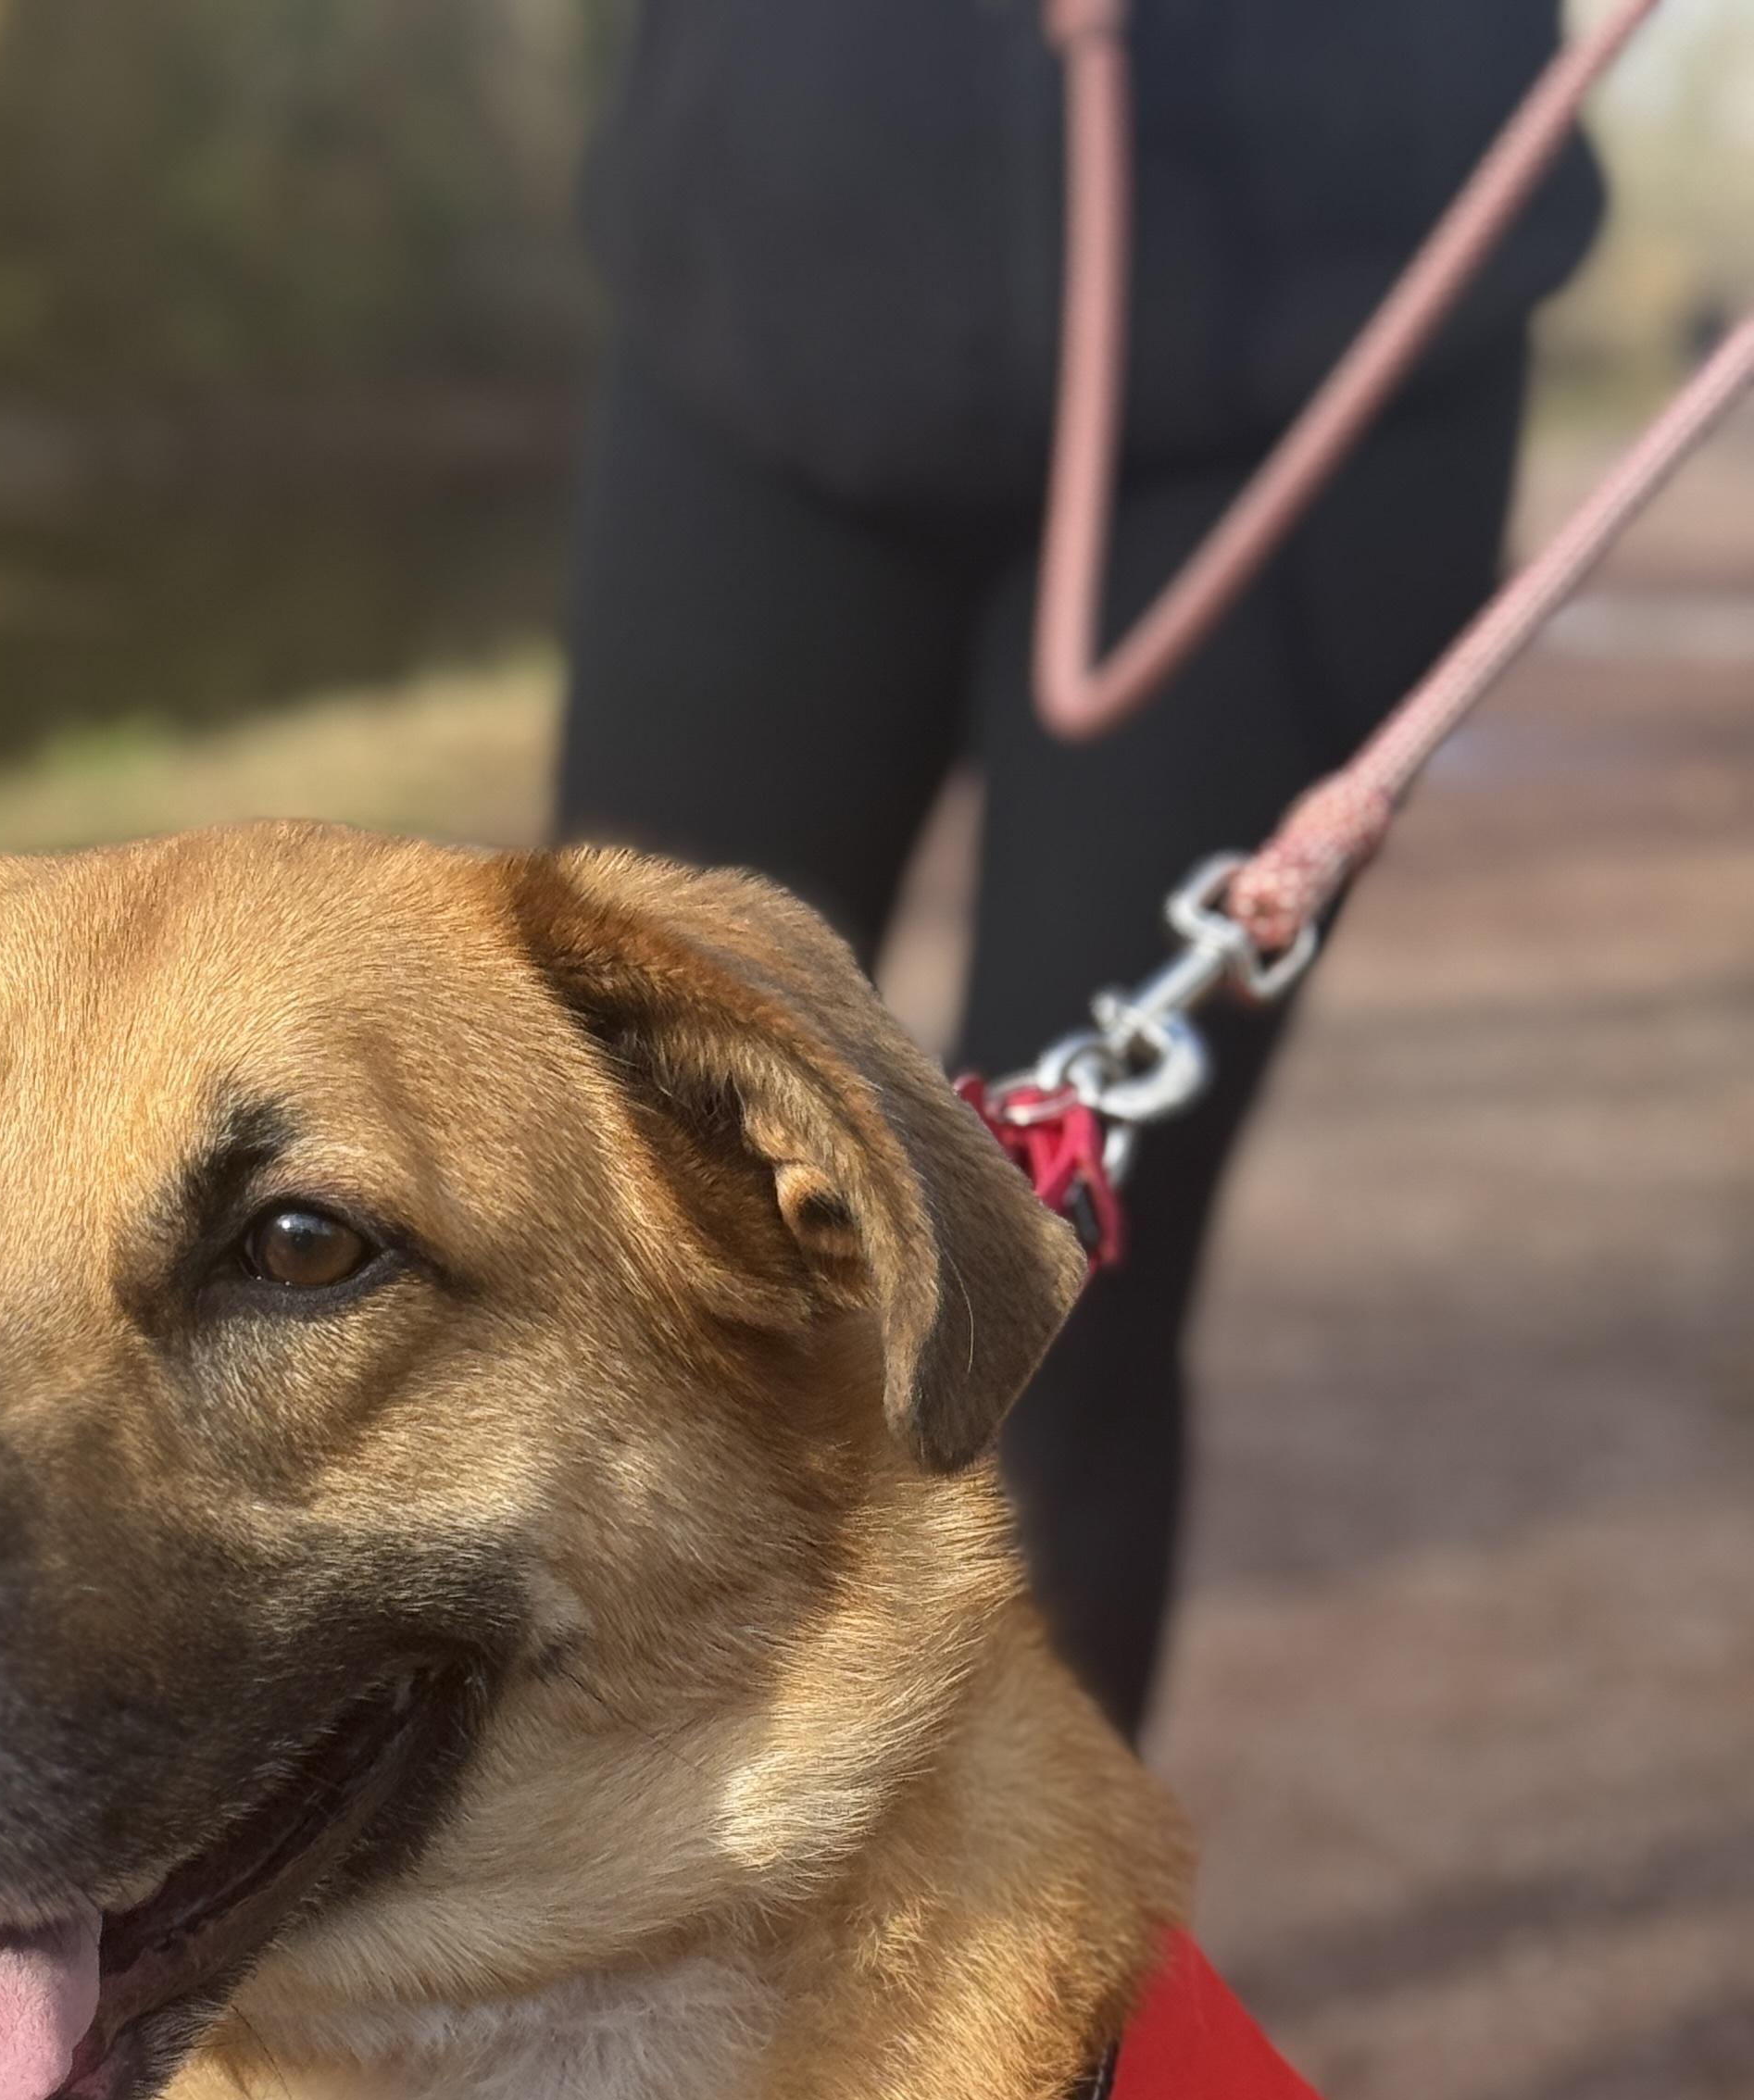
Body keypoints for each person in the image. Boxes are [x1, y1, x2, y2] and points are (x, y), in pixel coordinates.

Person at [557, 0, 1602, 1741]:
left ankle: (1028, 2002)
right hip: (768, 263)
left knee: (1048, 1308)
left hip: (1329, 331)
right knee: (607, 1228)